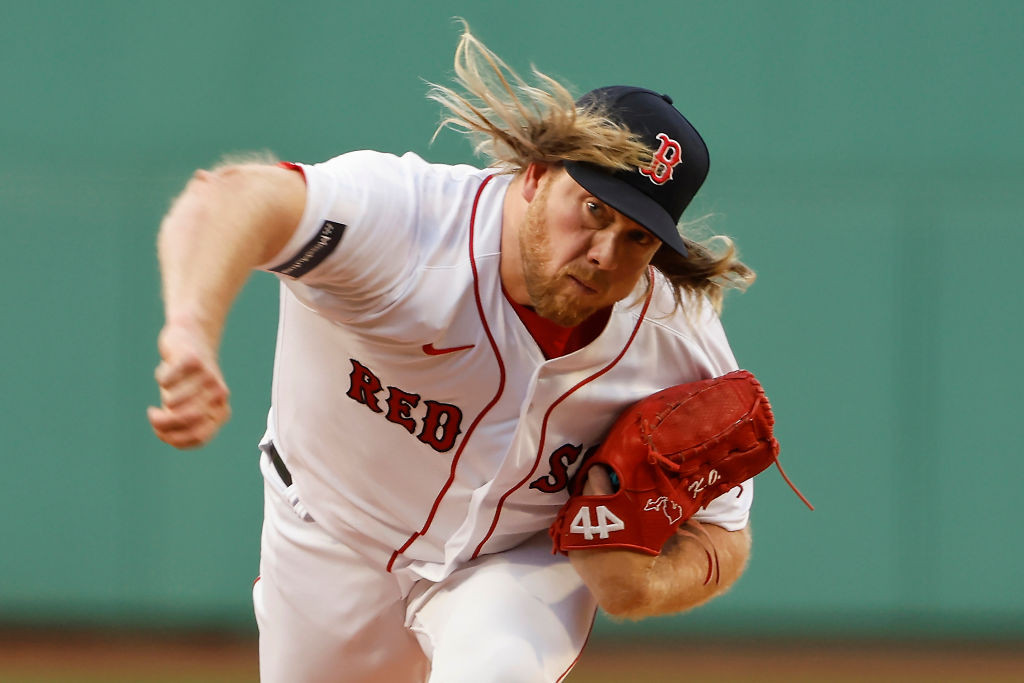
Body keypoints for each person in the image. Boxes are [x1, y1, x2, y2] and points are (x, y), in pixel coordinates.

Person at [148, 24, 758, 683]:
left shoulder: (677, 340)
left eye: (638, 237)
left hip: (513, 563)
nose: (605, 252)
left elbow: (724, 534)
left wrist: (646, 585)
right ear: (535, 176)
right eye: (593, 208)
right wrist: (190, 330)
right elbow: (234, 197)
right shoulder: (410, 224)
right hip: (329, 531)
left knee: (496, 668)